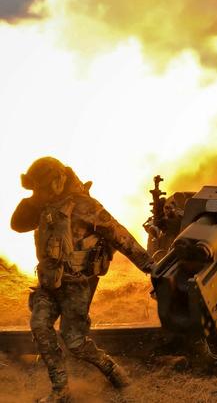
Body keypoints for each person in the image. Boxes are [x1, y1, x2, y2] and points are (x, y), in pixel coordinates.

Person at [10, 157, 154, 403]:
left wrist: (150, 266)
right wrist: (35, 200)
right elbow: (17, 224)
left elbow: (120, 236)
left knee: (75, 342)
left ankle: (112, 370)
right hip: (48, 283)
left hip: (77, 284)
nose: (40, 192)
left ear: (58, 180)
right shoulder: (44, 205)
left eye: (43, 187)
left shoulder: (86, 206)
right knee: (40, 326)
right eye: (37, 189)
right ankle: (60, 389)